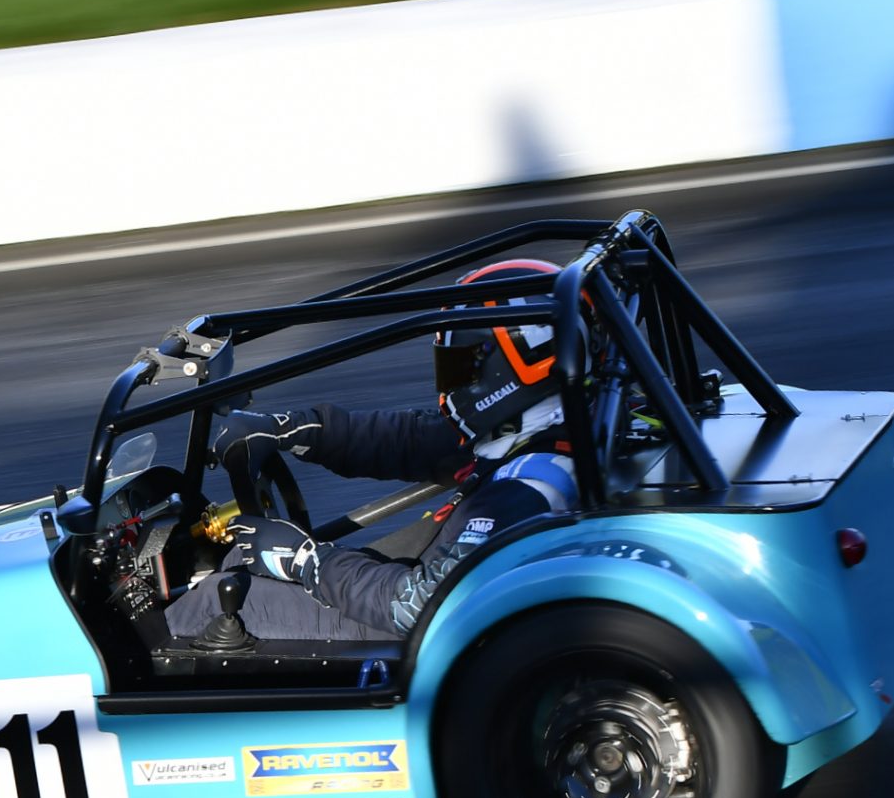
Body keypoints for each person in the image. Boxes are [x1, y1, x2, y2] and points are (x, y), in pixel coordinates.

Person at [164, 259, 581, 641]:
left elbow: (420, 607)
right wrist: (291, 428)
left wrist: (306, 561)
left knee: (213, 601)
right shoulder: (548, 425)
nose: (449, 382)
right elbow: (415, 439)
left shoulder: (526, 490)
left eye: (461, 365)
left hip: (416, 635)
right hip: (433, 595)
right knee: (239, 553)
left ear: (510, 370)